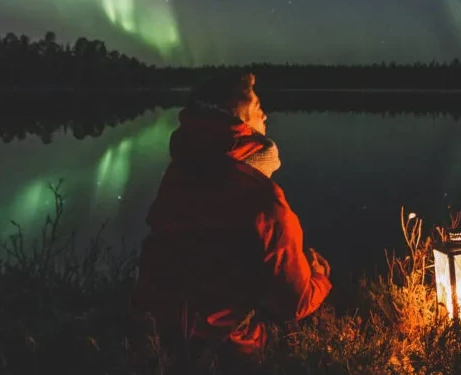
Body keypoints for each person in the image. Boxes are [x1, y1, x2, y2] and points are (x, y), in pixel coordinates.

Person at [132, 70, 331, 358]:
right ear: (237, 119)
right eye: (257, 106)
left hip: (154, 334)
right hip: (222, 350)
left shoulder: (179, 175)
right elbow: (296, 302)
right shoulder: (262, 199)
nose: (265, 115)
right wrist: (319, 275)